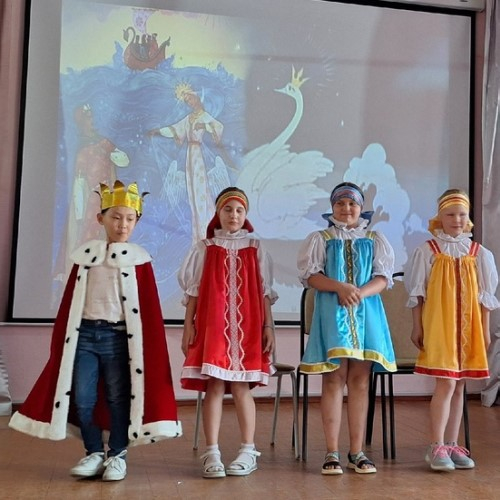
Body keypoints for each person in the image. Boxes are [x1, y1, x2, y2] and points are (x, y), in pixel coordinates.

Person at [10, 180, 182, 481]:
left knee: (118, 397)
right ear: (100, 218)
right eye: (115, 217)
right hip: (85, 338)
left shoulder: (139, 261)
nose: (122, 224)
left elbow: (148, 312)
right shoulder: (85, 258)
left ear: (137, 222)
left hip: (118, 339)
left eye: (129, 219)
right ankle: (93, 452)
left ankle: (117, 454)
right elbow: (71, 305)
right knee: (83, 397)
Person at [298, 181, 396, 475]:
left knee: (360, 381)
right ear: (332, 207)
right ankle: (332, 451)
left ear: (361, 207)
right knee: (333, 379)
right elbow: (311, 276)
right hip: (333, 312)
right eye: (340, 203)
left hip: (366, 314)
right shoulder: (321, 238)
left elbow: (382, 277)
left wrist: (358, 293)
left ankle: (357, 451)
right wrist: (340, 287)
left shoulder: (374, 238)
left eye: (352, 203)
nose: (346, 208)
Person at [178, 187, 277, 478]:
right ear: (218, 213)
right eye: (228, 209)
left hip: (249, 328)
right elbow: (194, 291)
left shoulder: (256, 247)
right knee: (215, 385)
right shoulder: (205, 247)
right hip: (214, 327)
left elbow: (264, 293)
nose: (234, 215)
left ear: (246, 215)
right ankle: (212, 452)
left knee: (242, 386)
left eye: (239, 210)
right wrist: (188, 325)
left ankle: (248, 450)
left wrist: (269, 327)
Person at [404, 188, 499, 472]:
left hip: (469, 329)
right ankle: (436, 445)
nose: (457, 220)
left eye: (461, 214)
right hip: (440, 326)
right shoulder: (428, 251)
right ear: (440, 217)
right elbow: (417, 294)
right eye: (450, 214)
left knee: (459, 385)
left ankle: (452, 443)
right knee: (445, 383)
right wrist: (417, 325)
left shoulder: (478, 253)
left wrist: (484, 332)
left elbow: (485, 299)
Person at [147, 83, 224, 244]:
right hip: (190, 156)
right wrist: (158, 131)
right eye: (187, 101)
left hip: (199, 156)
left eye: (191, 99)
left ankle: (208, 230)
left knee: (201, 191)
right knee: (193, 195)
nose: (189, 103)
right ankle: (198, 235)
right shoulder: (189, 118)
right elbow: (174, 129)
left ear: (197, 98)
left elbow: (218, 126)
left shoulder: (204, 116)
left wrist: (205, 125)